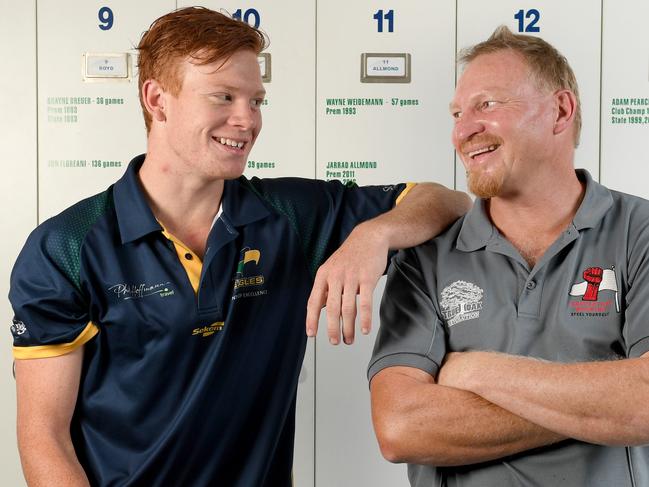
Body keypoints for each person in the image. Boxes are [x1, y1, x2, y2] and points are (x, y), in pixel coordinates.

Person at [9, 7, 470, 487]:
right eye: (223, 96)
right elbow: (44, 438)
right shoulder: (65, 248)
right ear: (157, 99)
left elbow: (446, 200)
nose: (246, 119)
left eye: (256, 100)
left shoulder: (292, 217)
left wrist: (374, 235)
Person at [368, 25, 649, 487]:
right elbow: (402, 427)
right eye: (458, 113)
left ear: (560, 111)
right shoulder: (425, 258)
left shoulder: (638, 232)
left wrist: (477, 371)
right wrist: (603, 404)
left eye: (487, 105)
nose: (463, 130)